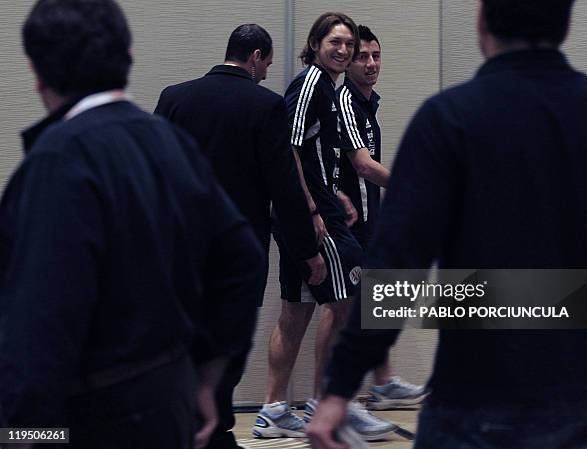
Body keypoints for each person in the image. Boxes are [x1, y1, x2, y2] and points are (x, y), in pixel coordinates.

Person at [308, 1, 587, 448]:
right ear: (566, 25)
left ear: (481, 22)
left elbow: (399, 262)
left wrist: (339, 388)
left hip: (475, 395)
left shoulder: (449, 118)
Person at [0, 1, 265, 448]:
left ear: (37, 70)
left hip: (89, 417)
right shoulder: (169, 142)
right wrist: (207, 376)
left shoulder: (58, 160)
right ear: (127, 55)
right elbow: (243, 259)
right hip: (170, 400)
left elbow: (40, 333)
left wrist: (19, 436)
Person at [155, 24, 326, 449]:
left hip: (180, 251)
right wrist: (308, 253)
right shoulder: (265, 107)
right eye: (267, 62)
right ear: (254, 56)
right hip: (237, 252)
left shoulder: (174, 98)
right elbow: (284, 189)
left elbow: (156, 173)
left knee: (181, 344)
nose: (267, 71)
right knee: (225, 350)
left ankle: (181, 427)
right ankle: (216, 433)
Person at [253, 12, 395, 442]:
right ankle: (329, 402)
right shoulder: (312, 84)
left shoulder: (324, 87)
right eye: (337, 43)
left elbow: (314, 157)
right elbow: (290, 148)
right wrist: (313, 209)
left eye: (349, 45)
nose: (345, 51)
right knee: (348, 297)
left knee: (297, 309)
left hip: (313, 209)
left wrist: (335, 194)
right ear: (315, 44)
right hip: (312, 217)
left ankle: (274, 409)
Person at [337, 24, 426, 410]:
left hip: (369, 217)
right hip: (344, 220)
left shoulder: (369, 104)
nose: (371, 63)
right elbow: (364, 167)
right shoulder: (345, 100)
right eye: (362, 56)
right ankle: (339, 395)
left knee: (373, 298)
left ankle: (382, 383)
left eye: (376, 55)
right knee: (339, 307)